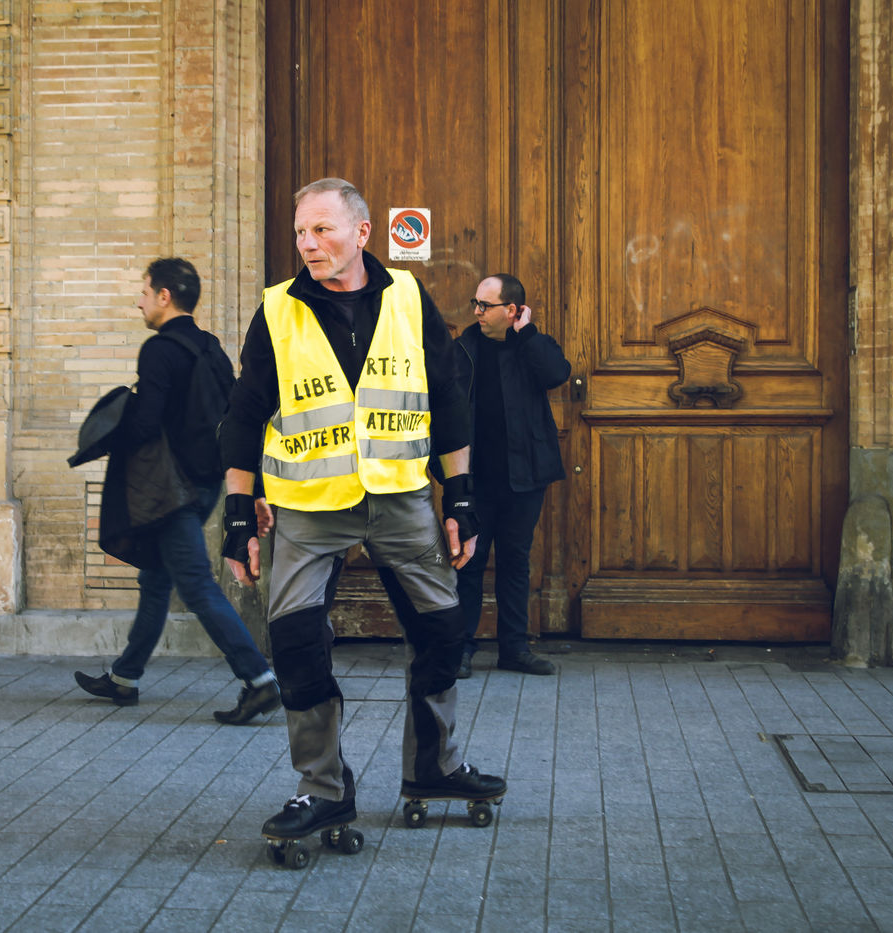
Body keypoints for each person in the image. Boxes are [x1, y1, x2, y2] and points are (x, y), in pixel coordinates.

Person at [218, 178, 506, 842]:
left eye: (322, 229)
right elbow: (243, 413)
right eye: (300, 231)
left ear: (362, 233)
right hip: (307, 507)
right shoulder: (277, 309)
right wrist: (237, 513)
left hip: (401, 500)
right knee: (295, 644)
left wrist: (459, 495)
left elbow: (447, 396)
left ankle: (434, 766)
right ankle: (322, 788)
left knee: (444, 630)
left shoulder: (407, 296)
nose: (307, 243)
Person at [73, 258, 282, 725]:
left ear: (164, 296)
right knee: (156, 579)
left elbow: (146, 424)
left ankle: (259, 680)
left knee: (197, 586)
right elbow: (236, 423)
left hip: (171, 493)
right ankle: (125, 677)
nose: (140, 301)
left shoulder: (159, 350)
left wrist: (113, 425)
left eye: (144, 292)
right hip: (205, 486)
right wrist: (253, 488)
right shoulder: (211, 349)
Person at [450, 273, 571, 678]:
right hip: (475, 478)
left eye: (486, 305)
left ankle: (514, 649)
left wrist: (527, 334)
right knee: (468, 561)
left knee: (515, 561)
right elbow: (445, 409)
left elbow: (556, 374)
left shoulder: (533, 345)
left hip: (524, 476)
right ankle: (461, 648)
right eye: (476, 303)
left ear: (513, 310)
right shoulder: (463, 349)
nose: (477, 312)